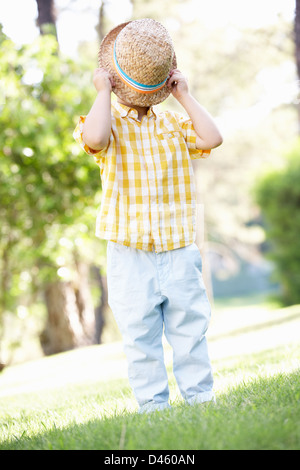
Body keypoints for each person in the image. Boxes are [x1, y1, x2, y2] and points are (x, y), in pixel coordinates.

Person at [73, 18, 223, 414]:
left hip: (177, 246)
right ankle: (153, 406)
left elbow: (212, 138)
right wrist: (103, 92)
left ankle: (200, 399)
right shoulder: (106, 122)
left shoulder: (173, 124)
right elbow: (95, 139)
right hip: (129, 251)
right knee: (140, 336)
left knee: (189, 328)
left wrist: (185, 96)